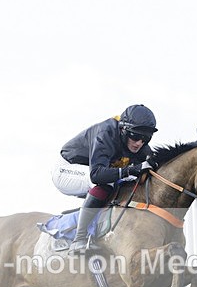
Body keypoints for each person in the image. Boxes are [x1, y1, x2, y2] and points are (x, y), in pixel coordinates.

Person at [53, 104, 159, 254]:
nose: (139, 143)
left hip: (91, 171)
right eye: (135, 136)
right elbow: (96, 175)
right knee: (106, 182)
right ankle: (79, 239)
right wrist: (131, 170)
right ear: (123, 129)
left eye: (145, 138)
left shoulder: (138, 143)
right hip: (66, 170)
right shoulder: (106, 134)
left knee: (122, 183)